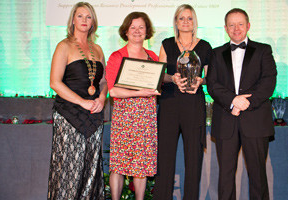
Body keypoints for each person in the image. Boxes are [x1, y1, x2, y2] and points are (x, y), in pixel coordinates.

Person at [207, 8, 277, 200]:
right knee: (226, 177)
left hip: (255, 121)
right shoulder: (216, 53)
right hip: (225, 121)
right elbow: (212, 84)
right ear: (225, 28)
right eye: (231, 25)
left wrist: (245, 102)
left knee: (257, 176)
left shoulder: (263, 50)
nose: (236, 28)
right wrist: (233, 100)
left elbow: (269, 81)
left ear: (248, 26)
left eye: (240, 24)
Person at [48, 2, 107, 199]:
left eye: (88, 17)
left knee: (91, 171)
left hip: (94, 117)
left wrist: (101, 98)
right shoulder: (63, 46)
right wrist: (82, 102)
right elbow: (55, 83)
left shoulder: (98, 49)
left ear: (93, 22)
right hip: (69, 115)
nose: (84, 20)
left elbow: (104, 82)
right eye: (80, 16)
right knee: (68, 172)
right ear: (73, 19)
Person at [153, 4, 212, 200]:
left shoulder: (205, 46)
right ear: (176, 22)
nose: (186, 21)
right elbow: (159, 76)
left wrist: (200, 81)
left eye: (189, 18)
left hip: (193, 104)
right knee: (165, 159)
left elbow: (210, 78)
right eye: (181, 18)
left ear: (195, 22)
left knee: (193, 159)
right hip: (170, 103)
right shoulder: (167, 44)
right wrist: (173, 78)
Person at [105, 12, 159, 200]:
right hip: (124, 118)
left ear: (147, 31)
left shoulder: (152, 56)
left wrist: (172, 78)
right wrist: (139, 93)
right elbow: (113, 92)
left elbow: (158, 81)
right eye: (133, 27)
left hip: (146, 118)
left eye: (141, 27)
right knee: (118, 165)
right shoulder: (117, 56)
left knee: (141, 166)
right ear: (126, 31)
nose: (137, 31)